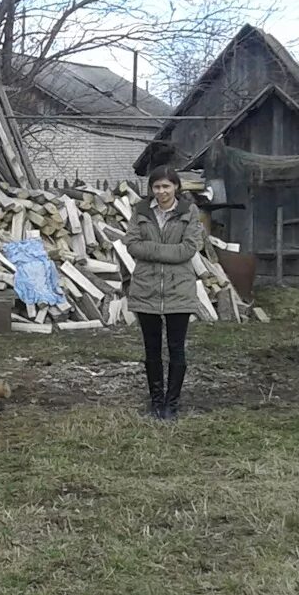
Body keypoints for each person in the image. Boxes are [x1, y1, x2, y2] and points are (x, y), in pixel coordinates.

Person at [124, 166, 208, 420]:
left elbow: (189, 248)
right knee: (151, 349)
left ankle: (172, 404)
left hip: (178, 289)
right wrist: (166, 250)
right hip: (146, 288)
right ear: (151, 189)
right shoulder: (140, 211)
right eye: (157, 187)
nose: (161, 191)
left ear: (176, 187)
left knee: (176, 348)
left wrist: (151, 250)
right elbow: (131, 244)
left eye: (166, 186)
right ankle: (156, 401)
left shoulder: (188, 212)